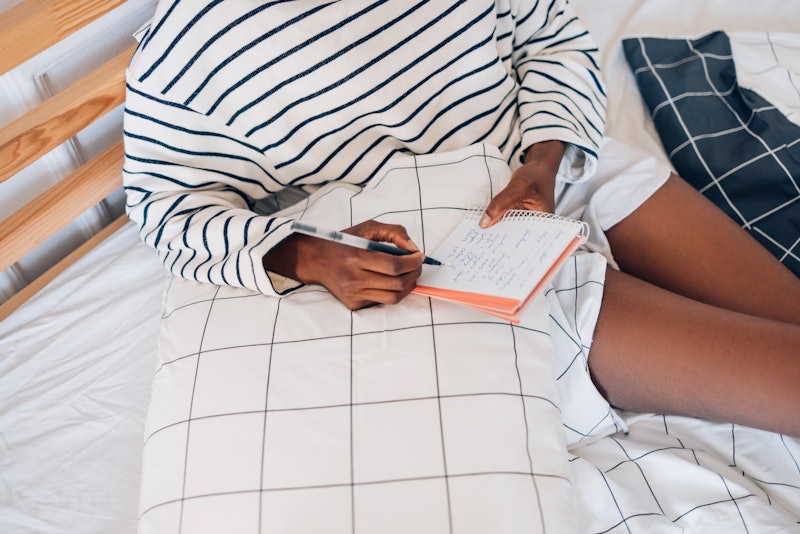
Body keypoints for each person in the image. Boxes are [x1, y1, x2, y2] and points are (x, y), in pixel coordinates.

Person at [123, 0, 800, 437]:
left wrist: (544, 161)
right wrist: (308, 254)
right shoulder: (185, 58)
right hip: (458, 249)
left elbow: (553, 39)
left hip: (557, 170)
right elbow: (165, 208)